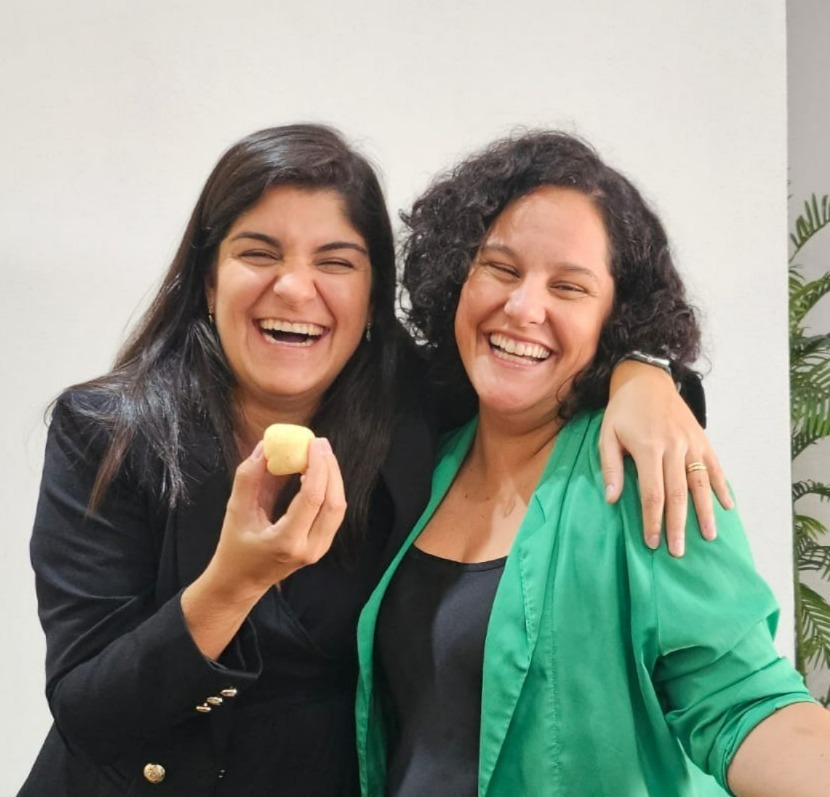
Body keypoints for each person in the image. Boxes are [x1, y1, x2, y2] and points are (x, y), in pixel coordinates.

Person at [21, 124, 721, 797]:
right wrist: (232, 584)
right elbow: (89, 712)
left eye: (335, 262)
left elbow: (555, 368)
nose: (295, 289)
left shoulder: (421, 408)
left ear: (372, 295)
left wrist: (643, 375)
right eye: (259, 253)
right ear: (209, 280)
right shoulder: (108, 434)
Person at [355, 130, 830, 797]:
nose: (525, 308)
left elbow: (741, 698)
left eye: (569, 287)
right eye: (502, 268)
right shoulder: (420, 457)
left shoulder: (644, 469)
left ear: (615, 318)